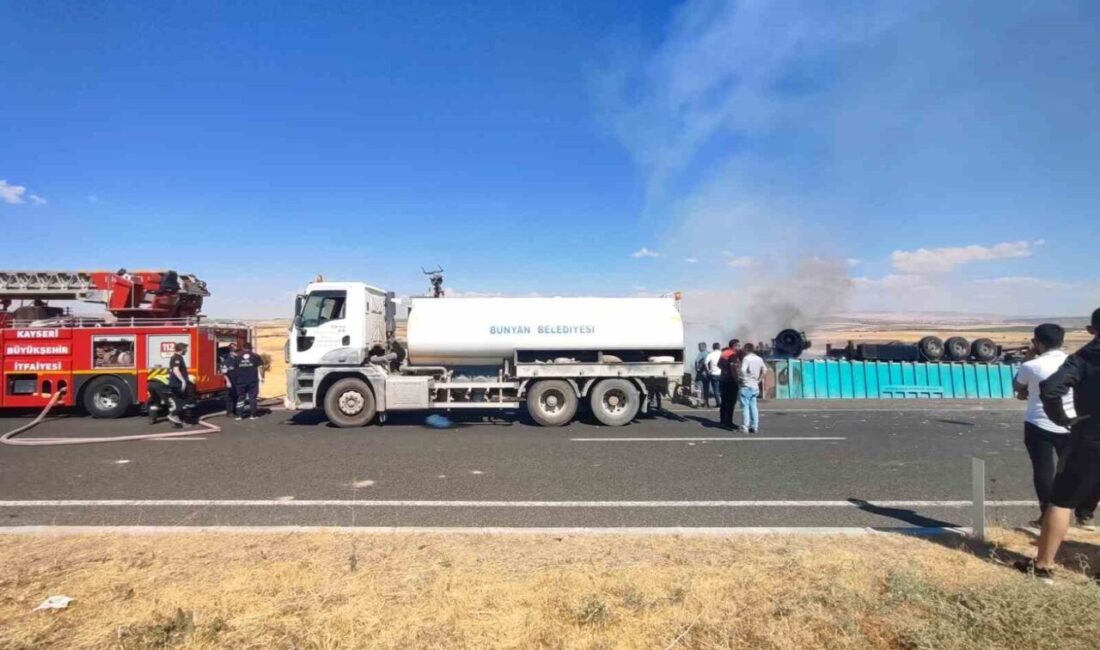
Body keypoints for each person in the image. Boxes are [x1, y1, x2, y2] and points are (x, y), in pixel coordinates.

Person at [1016, 308, 1100, 582]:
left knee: (1061, 501)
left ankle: (1043, 566)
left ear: (1090, 330)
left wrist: (1064, 419)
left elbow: (1051, 388)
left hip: (1090, 437)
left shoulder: (1083, 358)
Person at [739, 343, 767, 434]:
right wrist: (759, 380)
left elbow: (743, 370)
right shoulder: (759, 358)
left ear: (746, 349)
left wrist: (744, 379)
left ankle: (745, 427)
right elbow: (765, 370)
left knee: (745, 407)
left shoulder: (746, 359)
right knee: (754, 407)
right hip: (755, 385)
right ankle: (755, 426)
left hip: (747, 385)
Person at [235, 342, 265, 419]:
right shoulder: (256, 356)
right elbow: (261, 367)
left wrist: (236, 379)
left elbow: (234, 369)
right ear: (251, 348)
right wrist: (262, 377)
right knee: (253, 397)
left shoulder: (238, 357)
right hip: (253, 380)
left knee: (240, 397)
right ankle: (253, 415)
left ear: (243, 348)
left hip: (241, 380)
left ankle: (239, 415)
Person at [717, 339, 741, 429]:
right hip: (731, 381)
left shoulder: (724, 353)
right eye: (738, 346)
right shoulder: (732, 354)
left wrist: (725, 371)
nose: (739, 347)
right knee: (731, 403)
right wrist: (736, 381)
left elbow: (718, 364)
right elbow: (734, 369)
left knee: (724, 402)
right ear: (734, 346)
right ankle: (729, 422)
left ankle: (722, 420)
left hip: (723, 380)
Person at [167, 341, 191, 426]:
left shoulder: (178, 357)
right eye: (186, 349)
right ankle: (173, 415)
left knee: (180, 402)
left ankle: (178, 422)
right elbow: (176, 370)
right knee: (182, 402)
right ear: (182, 349)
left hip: (176, 383)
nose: (186, 351)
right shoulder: (177, 358)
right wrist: (183, 381)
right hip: (177, 384)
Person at [222, 342, 241, 418]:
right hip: (230, 381)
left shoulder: (238, 360)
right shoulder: (226, 362)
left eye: (237, 351)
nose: (237, 353)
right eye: (235, 352)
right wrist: (228, 381)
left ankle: (235, 411)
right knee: (230, 397)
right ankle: (229, 412)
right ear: (231, 352)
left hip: (237, 381)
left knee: (236, 396)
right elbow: (224, 373)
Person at [693, 342, 714, 407]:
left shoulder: (701, 353)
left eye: (699, 347)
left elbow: (696, 361)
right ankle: (706, 402)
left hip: (701, 374)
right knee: (706, 388)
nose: (698, 348)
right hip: (707, 374)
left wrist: (697, 369)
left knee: (699, 388)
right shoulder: (709, 353)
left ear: (702, 347)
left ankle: (699, 402)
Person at [704, 342, 723, 408]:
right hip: (722, 374)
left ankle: (719, 403)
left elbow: (705, 362)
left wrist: (708, 370)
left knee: (716, 390)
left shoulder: (711, 354)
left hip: (714, 374)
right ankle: (723, 403)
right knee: (722, 390)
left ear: (713, 347)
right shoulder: (722, 354)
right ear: (719, 347)